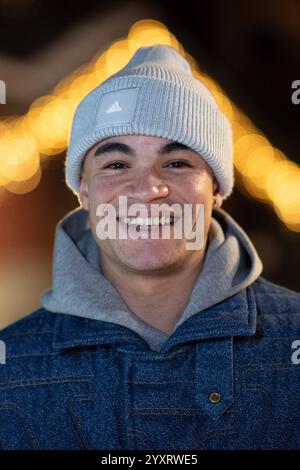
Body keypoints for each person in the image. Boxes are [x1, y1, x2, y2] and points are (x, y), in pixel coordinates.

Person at [1, 45, 300, 451]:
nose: (147, 190)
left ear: (216, 190)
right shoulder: (10, 364)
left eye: (177, 163)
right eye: (117, 165)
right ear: (84, 190)